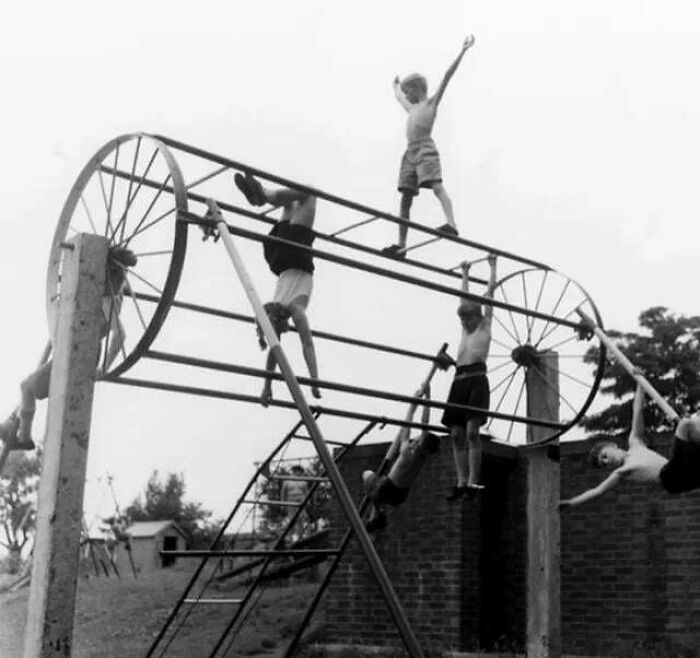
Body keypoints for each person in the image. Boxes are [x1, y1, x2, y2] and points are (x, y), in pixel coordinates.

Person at [0, 246, 137, 450]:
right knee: (29, 387)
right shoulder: (110, 293)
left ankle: (23, 436)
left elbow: (120, 335)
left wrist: (104, 369)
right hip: (76, 347)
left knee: (27, 386)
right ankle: (16, 426)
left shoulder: (108, 297)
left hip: (81, 352)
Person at [382, 35, 476, 258]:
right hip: (410, 153)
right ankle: (401, 245)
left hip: (425, 149)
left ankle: (451, 223)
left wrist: (462, 51)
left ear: (417, 88)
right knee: (405, 198)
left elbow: (447, 77)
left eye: (408, 92)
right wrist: (395, 87)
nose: (406, 96)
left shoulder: (431, 103)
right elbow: (398, 98)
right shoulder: (411, 108)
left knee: (436, 186)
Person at [234, 173, 321, 406]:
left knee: (310, 192)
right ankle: (265, 196)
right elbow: (274, 350)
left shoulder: (296, 309)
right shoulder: (278, 302)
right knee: (292, 200)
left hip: (294, 251)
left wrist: (314, 380)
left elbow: (306, 344)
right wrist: (267, 386)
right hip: (276, 253)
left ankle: (263, 197)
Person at [559, 382, 700, 508]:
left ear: (612, 445)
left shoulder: (636, 443)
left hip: (687, 472)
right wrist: (572, 502)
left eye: (605, 456)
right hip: (670, 478)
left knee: (694, 422)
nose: (608, 461)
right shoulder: (622, 472)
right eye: (605, 464)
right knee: (686, 424)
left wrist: (640, 382)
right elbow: (597, 491)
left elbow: (637, 410)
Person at [442, 253, 497, 501]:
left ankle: (473, 480)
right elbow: (463, 298)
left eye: (468, 317)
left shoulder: (484, 326)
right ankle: (461, 480)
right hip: (459, 379)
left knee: (473, 431)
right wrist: (464, 274)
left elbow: (489, 297)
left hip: (476, 379)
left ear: (478, 317)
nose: (465, 321)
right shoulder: (464, 330)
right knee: (456, 434)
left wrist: (492, 267)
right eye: (462, 318)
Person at [362, 383, 440, 532]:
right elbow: (425, 423)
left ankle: (379, 511)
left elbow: (406, 427)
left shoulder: (407, 453)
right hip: (401, 496)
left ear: (421, 444)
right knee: (380, 482)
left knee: (367, 475)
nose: (415, 439)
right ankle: (378, 515)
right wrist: (427, 397)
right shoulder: (423, 456)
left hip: (387, 489)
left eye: (418, 440)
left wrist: (412, 405)